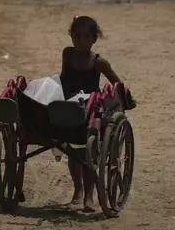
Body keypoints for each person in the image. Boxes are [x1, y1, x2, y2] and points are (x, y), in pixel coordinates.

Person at [60, 16, 121, 212]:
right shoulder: (67, 55)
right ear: (71, 37)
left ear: (94, 39)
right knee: (73, 151)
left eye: (86, 37)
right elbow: (63, 80)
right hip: (69, 105)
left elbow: (116, 83)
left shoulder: (98, 62)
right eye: (76, 36)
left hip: (90, 109)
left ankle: (88, 196)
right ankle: (78, 191)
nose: (81, 41)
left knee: (88, 153)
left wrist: (126, 98)